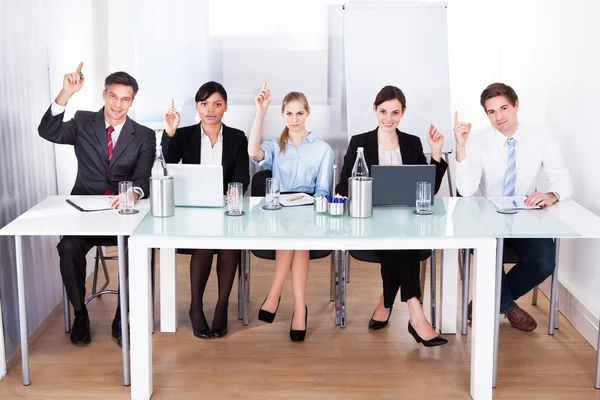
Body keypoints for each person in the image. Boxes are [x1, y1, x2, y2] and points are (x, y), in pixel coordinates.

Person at [38, 62, 155, 346]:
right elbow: (48, 132)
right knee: (67, 247)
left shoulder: (144, 135)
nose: (118, 104)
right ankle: (80, 313)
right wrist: (65, 93)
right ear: (104, 95)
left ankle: (121, 315)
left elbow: (143, 177)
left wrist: (134, 193)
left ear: (132, 102)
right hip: (85, 216)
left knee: (138, 249)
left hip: (124, 215)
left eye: (125, 98)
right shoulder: (82, 122)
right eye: (113, 96)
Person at [454, 82, 573, 331]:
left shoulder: (541, 136)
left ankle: (486, 303)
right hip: (486, 216)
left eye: (504, 108)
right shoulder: (477, 140)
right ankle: (508, 307)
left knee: (544, 261)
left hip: (525, 214)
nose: (499, 116)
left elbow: (562, 178)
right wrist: (462, 147)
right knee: (490, 255)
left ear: (516, 105)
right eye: (491, 112)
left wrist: (552, 194)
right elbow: (465, 190)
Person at [336, 85, 448, 347]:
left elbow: (427, 189)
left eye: (395, 112)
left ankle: (390, 304)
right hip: (370, 217)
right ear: (374, 110)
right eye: (383, 111)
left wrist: (436, 153)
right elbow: (342, 186)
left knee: (402, 238)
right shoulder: (359, 142)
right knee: (402, 242)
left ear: (403, 113)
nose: (389, 118)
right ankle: (416, 315)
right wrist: (362, 189)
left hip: (405, 216)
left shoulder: (411, 143)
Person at [161, 81, 250, 339]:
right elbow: (166, 164)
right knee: (204, 243)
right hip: (194, 210)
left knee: (228, 244)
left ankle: (222, 306)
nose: (210, 110)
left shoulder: (237, 137)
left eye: (217, 104)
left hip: (225, 209)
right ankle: (196, 307)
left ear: (226, 107)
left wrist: (233, 191)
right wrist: (169, 133)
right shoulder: (185, 134)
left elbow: (242, 175)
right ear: (197, 107)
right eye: (204, 104)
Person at [248, 82, 334, 342]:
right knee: (294, 237)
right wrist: (260, 112)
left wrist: (308, 208)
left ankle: (276, 295)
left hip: (309, 211)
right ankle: (299, 308)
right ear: (283, 115)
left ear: (308, 113)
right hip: (278, 211)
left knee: (298, 235)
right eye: (289, 113)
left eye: (299, 113)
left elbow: (323, 192)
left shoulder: (323, 149)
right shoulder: (275, 144)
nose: (294, 119)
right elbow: (253, 152)